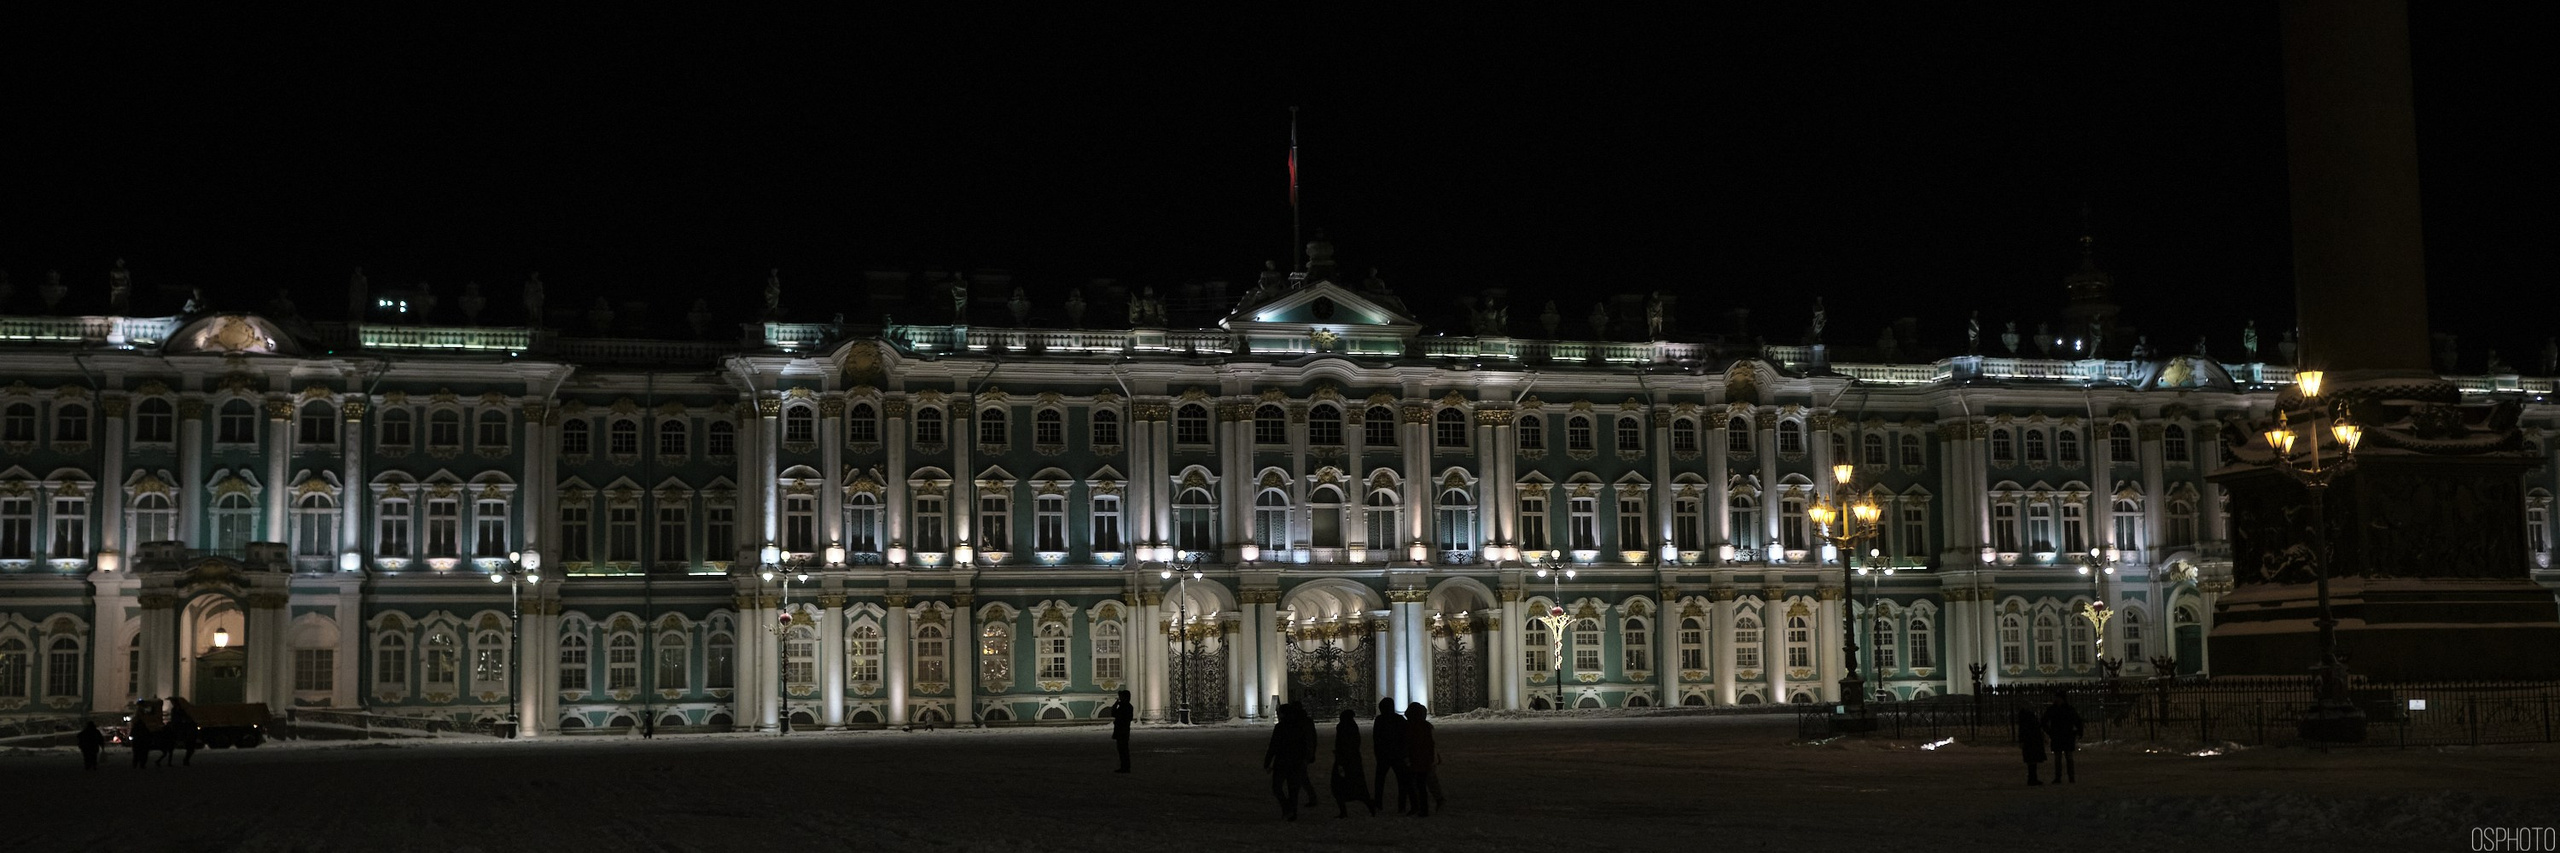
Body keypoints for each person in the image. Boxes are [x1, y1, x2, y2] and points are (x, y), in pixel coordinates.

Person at [1262, 704, 1316, 821]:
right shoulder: (1299, 727)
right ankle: (1293, 812)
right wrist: (1305, 758)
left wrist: (1267, 762)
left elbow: (1273, 746)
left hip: (1282, 762)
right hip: (1296, 763)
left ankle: (1287, 808)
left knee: (1277, 788)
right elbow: (1305, 744)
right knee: (1293, 790)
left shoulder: (1280, 727)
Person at [1328, 710, 1374, 817]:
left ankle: (1343, 811)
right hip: (1353, 760)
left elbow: (1341, 743)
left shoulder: (1342, 727)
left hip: (1344, 760)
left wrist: (1339, 755)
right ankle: (1369, 804)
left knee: (1338, 785)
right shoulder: (1352, 726)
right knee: (1357, 786)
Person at [1370, 698, 1411, 814]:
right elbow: (1405, 737)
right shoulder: (1399, 719)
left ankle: (1378, 803)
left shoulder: (1379, 720)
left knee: (1380, 781)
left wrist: (1378, 753)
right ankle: (1401, 806)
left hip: (1384, 755)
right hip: (1397, 755)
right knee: (1401, 781)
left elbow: (1376, 738)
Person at [1405, 703, 1442, 817]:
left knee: (1419, 785)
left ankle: (1422, 808)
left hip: (1418, 760)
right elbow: (1431, 744)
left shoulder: (1412, 727)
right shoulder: (1425, 726)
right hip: (1423, 760)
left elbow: (1412, 744)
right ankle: (1434, 801)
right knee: (1426, 783)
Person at [2042, 694, 2085, 783]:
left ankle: (2063, 777)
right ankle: (2067, 777)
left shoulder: (2054, 709)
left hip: (2060, 735)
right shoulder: (2067, 709)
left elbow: (2044, 721)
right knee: (2064, 757)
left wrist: (2049, 731)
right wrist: (2078, 731)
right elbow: (2077, 720)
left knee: (2063, 757)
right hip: (2065, 735)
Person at [2016, 707, 2047, 786]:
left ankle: (2032, 778)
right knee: (2032, 761)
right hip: (2032, 741)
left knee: (2031, 761)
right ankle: (2032, 778)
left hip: (2029, 741)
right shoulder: (2030, 722)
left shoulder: (2025, 721)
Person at [163, 700, 199, 767]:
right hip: (178, 725)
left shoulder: (177, 710)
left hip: (179, 725)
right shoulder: (176, 710)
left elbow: (183, 716)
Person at [1110, 689, 1134, 773]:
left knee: (1123, 750)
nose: (1120, 698)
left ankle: (1125, 767)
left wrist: (1117, 704)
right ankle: (1124, 766)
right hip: (1122, 730)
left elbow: (1115, 714)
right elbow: (1113, 713)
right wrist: (1117, 704)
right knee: (1122, 750)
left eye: (1122, 696)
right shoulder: (1126, 706)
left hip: (1122, 731)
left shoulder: (1126, 707)